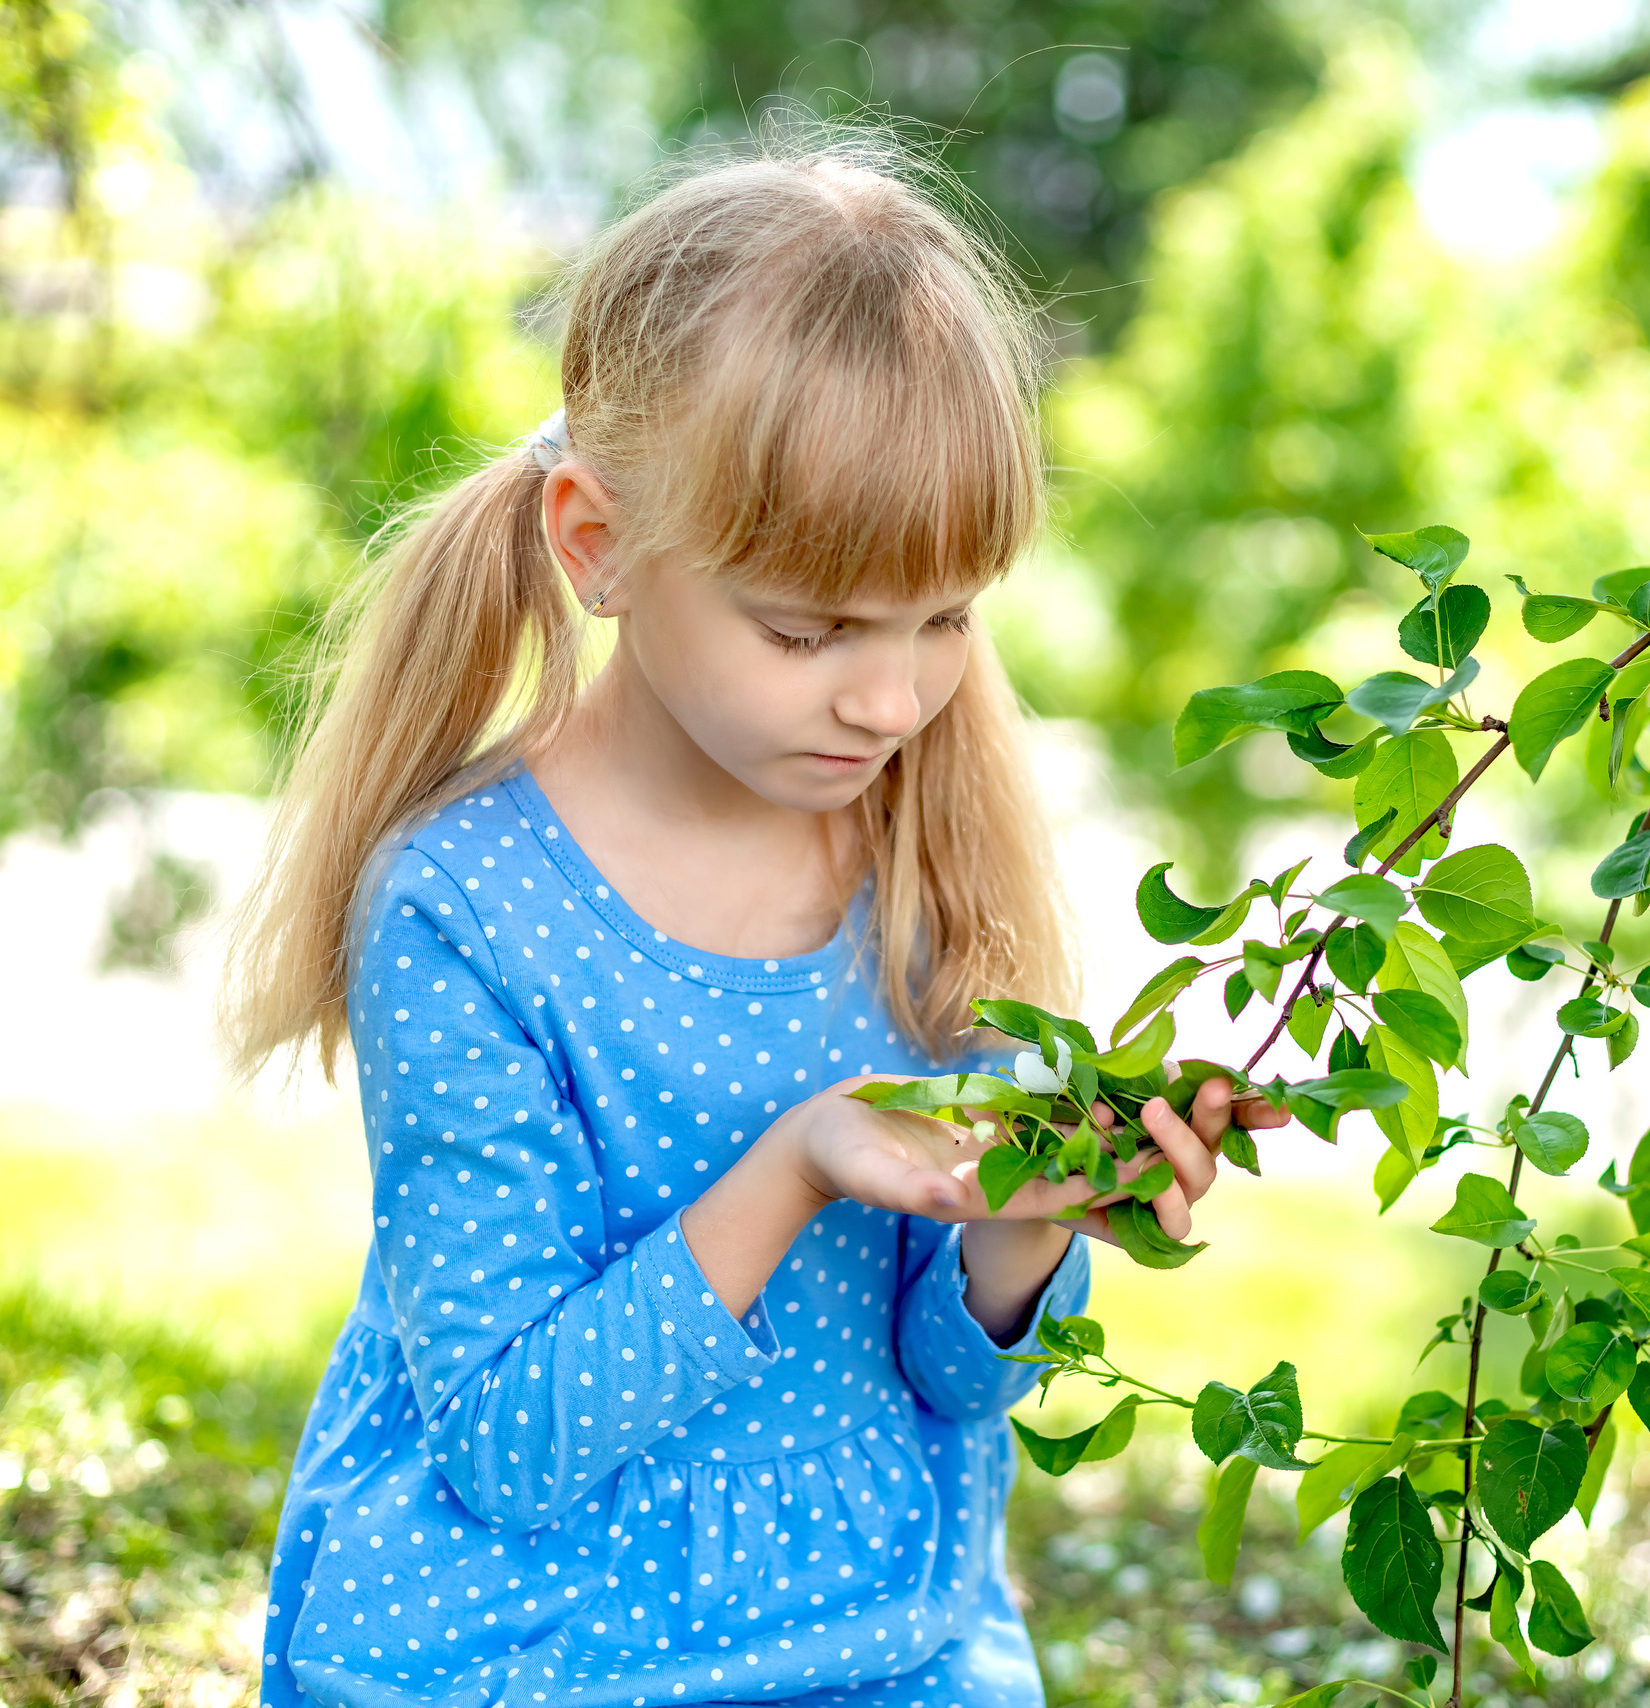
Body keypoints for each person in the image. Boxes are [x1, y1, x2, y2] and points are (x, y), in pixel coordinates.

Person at [221, 135, 1283, 1708]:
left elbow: (948, 1381)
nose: (891, 695)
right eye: (808, 630)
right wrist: (794, 1165)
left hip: (876, 1640)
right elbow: (513, 1446)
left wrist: (1025, 1222)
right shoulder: (467, 908)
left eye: (946, 619)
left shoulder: (928, 859)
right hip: (525, 1645)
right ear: (600, 548)